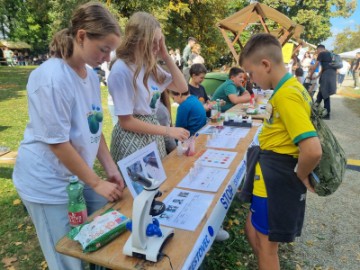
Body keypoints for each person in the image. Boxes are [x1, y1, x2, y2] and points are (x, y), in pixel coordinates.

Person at [12, 2, 125, 270]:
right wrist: (96, 183)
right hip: (46, 183)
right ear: (82, 36)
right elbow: (58, 144)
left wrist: (110, 168)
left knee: (115, 217)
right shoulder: (51, 78)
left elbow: (94, 127)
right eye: (104, 50)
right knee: (67, 258)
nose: (107, 58)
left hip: (74, 177)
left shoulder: (90, 75)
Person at [239, 33, 322, 270]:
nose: (252, 80)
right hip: (266, 177)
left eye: (251, 74)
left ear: (265, 65)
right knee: (252, 230)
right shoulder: (288, 88)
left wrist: (300, 175)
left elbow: (312, 150)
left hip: (275, 183)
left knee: (267, 248)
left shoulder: (287, 95)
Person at [108, 12, 190, 163]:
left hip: (151, 135)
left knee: (157, 183)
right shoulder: (121, 70)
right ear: (138, 40)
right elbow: (126, 121)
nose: (157, 47)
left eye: (160, 41)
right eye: (153, 41)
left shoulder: (149, 66)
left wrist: (165, 55)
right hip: (132, 140)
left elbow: (181, 87)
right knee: (141, 185)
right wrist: (167, 131)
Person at [310, 45, 337, 119]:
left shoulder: (321, 54)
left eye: (317, 50)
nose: (317, 52)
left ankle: (327, 114)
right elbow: (324, 68)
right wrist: (317, 76)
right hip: (332, 75)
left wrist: (310, 75)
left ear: (319, 49)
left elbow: (315, 66)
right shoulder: (331, 54)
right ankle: (314, 108)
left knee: (325, 93)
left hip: (326, 75)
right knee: (321, 91)